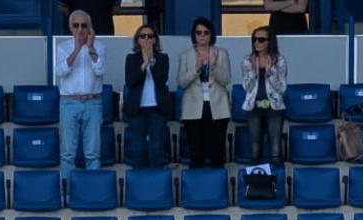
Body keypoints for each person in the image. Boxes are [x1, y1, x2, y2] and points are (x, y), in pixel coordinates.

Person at [55, 10, 107, 182]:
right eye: (76, 25)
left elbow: (100, 70)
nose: (80, 29)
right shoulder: (63, 47)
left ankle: (91, 193)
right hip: (69, 103)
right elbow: (60, 71)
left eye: (84, 25)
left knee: (93, 154)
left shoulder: (99, 46)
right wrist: (77, 49)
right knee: (68, 154)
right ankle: (67, 194)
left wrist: (90, 48)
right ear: (70, 27)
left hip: (93, 102)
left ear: (90, 27)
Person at [177, 17, 231, 171]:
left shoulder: (221, 53)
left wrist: (214, 67)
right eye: (199, 32)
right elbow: (181, 81)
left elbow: (226, 79)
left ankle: (217, 187)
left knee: (217, 151)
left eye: (206, 32)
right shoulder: (185, 55)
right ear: (194, 35)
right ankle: (197, 189)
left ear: (211, 34)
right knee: (196, 151)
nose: (202, 35)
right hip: (193, 107)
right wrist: (196, 68)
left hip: (218, 107)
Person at [123, 26, 173, 169]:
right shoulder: (131, 58)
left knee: (156, 146)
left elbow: (161, 79)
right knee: (139, 147)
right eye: (142, 36)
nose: (146, 39)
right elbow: (130, 81)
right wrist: (144, 64)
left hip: (157, 108)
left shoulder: (162, 58)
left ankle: (157, 181)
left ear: (155, 40)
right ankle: (138, 183)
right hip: (136, 109)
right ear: (137, 40)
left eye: (150, 36)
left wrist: (151, 60)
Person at [242, 28, 288, 169]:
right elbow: (247, 87)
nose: (257, 42)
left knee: (275, 149)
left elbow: (281, 88)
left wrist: (269, 73)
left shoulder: (279, 60)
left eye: (261, 39)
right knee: (255, 148)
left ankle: (276, 182)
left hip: (274, 108)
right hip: (253, 107)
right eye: (255, 39)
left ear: (270, 41)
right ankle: (255, 182)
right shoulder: (247, 60)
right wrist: (253, 71)